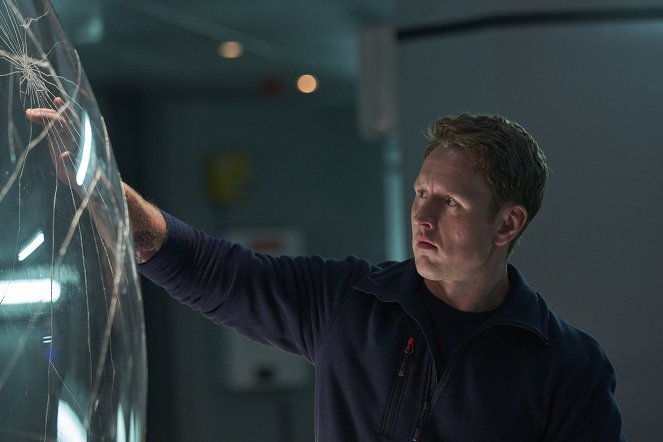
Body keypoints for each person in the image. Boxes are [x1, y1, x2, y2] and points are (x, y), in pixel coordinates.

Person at [28, 106, 625, 440]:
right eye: (421, 193)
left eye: (451, 202)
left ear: (507, 224)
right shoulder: (350, 301)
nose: (423, 216)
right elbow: (208, 269)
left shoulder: (567, 365)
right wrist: (100, 186)